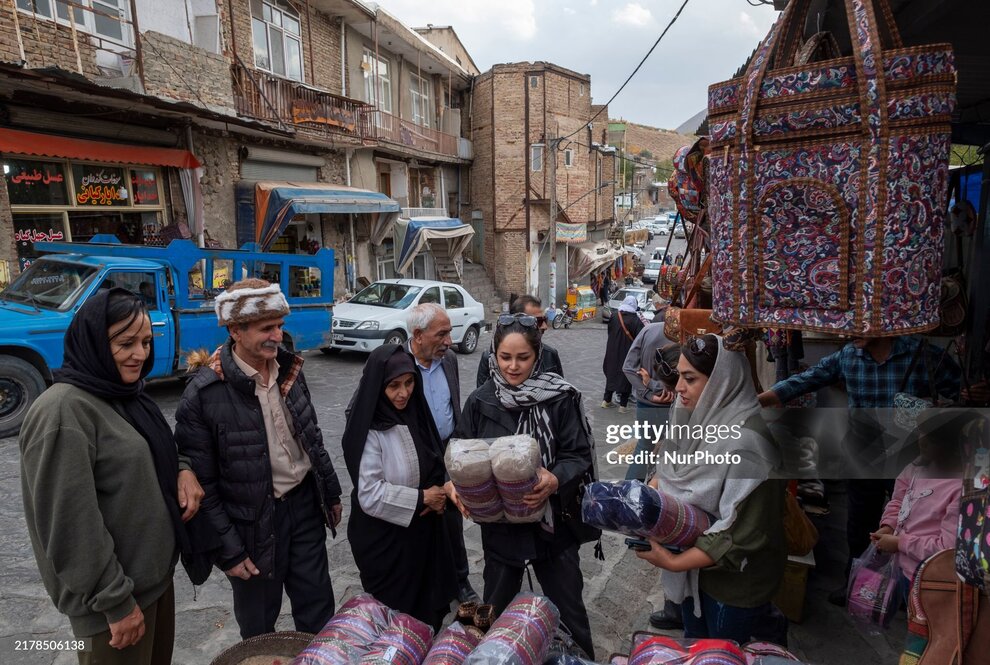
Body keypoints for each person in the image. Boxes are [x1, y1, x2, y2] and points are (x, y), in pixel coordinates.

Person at [20, 288, 205, 665]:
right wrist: (115, 602)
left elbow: (157, 449)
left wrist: (182, 470)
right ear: (93, 342)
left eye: (145, 342)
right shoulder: (63, 412)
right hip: (112, 605)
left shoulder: (125, 395)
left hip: (150, 585)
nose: (140, 353)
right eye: (126, 343)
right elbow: (70, 526)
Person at [175, 278, 343, 639]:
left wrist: (330, 493)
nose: (278, 335)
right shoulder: (203, 395)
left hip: (303, 509)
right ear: (235, 329)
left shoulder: (291, 371)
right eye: (267, 328)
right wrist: (230, 552)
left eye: (280, 325)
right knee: (258, 627)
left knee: (318, 612)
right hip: (250, 525)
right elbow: (203, 485)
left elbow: (311, 437)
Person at [758, 335, 961, 605]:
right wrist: (762, 398)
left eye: (860, 325)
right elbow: (810, 378)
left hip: (908, 457)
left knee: (909, 520)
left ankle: (905, 589)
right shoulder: (848, 356)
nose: (848, 333)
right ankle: (857, 585)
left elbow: (956, 388)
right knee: (859, 526)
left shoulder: (921, 354)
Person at [454, 314, 597, 659]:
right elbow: (460, 449)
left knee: (569, 609)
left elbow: (577, 453)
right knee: (495, 610)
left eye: (523, 358)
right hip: (501, 530)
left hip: (554, 526)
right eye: (505, 357)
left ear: (538, 356)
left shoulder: (560, 398)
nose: (513, 366)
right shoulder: (480, 401)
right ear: (494, 355)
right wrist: (456, 485)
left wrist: (555, 477)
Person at [636, 334, 785, 644]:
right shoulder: (691, 419)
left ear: (722, 383)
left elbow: (743, 534)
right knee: (694, 644)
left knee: (720, 652)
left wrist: (673, 562)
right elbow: (668, 467)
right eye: (679, 377)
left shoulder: (752, 446)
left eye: (690, 379)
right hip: (694, 574)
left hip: (732, 585)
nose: (678, 388)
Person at [341, 345, 458, 629]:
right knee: (395, 620)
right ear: (378, 386)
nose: (403, 393)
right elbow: (370, 493)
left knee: (426, 613)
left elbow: (434, 460)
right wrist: (422, 499)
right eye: (393, 385)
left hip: (422, 537)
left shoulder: (417, 416)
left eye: (409, 383)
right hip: (386, 545)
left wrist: (441, 490)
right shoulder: (370, 429)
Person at [407, 302, 480, 604]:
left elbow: (453, 404)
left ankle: (460, 581)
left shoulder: (448, 360)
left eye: (449, 334)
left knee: (453, 518)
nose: (449, 342)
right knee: (422, 518)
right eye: (442, 334)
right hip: (416, 455)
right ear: (418, 335)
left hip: (449, 449)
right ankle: (425, 581)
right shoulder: (398, 365)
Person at [871, 410, 968, 606]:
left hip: (929, 580)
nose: (922, 440)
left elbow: (947, 549)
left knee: (922, 632)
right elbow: (898, 500)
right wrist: (889, 525)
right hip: (902, 568)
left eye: (931, 438)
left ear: (957, 447)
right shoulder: (915, 468)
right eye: (921, 433)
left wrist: (899, 543)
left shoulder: (961, 490)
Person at [476, 294, 563, 388]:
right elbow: (482, 395)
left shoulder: (550, 354)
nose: (544, 326)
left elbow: (559, 390)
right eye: (538, 321)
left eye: (544, 319)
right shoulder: (489, 358)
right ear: (516, 321)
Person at [602, 295, 644, 412]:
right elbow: (639, 338)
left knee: (611, 374)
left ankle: (606, 400)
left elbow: (610, 331)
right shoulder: (635, 320)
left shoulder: (615, 316)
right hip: (628, 352)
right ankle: (622, 406)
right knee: (626, 376)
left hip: (612, 351)